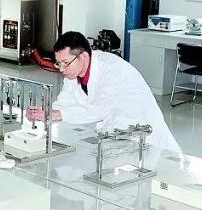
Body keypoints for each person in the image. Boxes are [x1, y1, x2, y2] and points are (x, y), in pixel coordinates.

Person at [26, 31, 180, 152]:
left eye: (65, 63)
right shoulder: (72, 73)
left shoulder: (112, 69)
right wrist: (45, 112)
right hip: (117, 134)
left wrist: (60, 114)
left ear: (83, 57)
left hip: (144, 133)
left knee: (155, 174)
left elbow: (99, 110)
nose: (62, 69)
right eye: (58, 63)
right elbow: (65, 102)